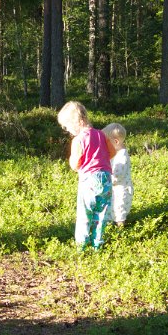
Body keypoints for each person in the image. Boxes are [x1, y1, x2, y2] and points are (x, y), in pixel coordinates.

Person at [57, 101, 115, 250]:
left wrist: (73, 161)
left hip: (89, 180)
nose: (68, 130)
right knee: (101, 214)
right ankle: (97, 245)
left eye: (67, 126)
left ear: (76, 122)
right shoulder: (101, 134)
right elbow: (113, 152)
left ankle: (81, 246)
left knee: (84, 214)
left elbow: (75, 164)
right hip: (106, 178)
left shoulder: (78, 140)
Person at [102, 123, 132, 226]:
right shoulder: (114, 153)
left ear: (115, 142)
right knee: (112, 208)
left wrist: (105, 178)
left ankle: (121, 228)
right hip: (114, 189)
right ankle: (113, 223)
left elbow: (117, 176)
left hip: (121, 190)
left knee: (119, 208)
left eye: (106, 142)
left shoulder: (122, 156)